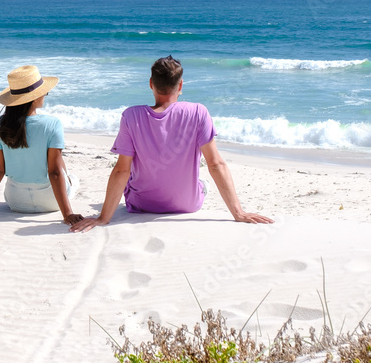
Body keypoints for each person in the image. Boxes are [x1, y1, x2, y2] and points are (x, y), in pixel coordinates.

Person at [70, 55, 273, 232]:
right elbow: (215, 164)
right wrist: (238, 213)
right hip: (188, 205)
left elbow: (122, 170)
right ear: (181, 85)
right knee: (203, 184)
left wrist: (103, 218)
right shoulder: (198, 112)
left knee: (134, 176)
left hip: (142, 204)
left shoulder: (131, 116)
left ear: (151, 83)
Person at [0, 65, 82, 225]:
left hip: (16, 201)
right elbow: (54, 172)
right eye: (44, 92)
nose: (45, 95)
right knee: (67, 173)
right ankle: (71, 182)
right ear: (35, 97)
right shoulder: (52, 124)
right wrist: (67, 214)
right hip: (51, 201)